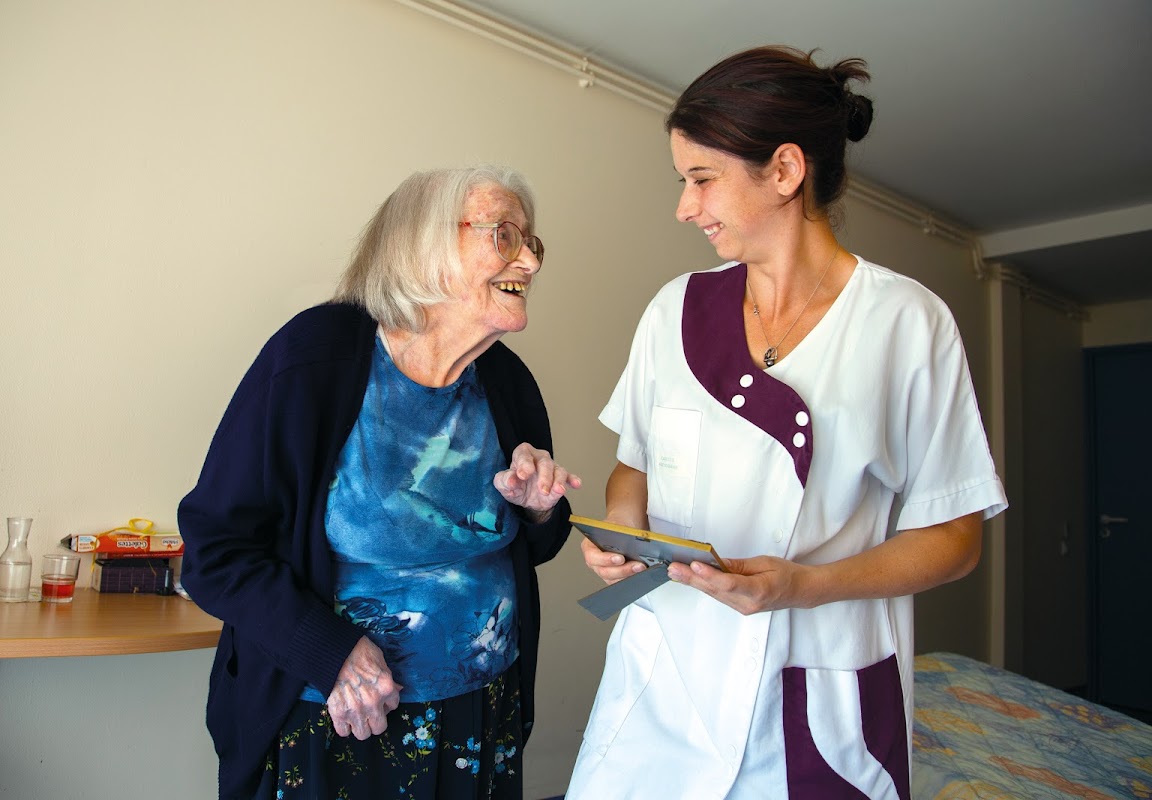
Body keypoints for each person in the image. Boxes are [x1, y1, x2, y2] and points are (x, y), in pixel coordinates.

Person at [567, 46, 1007, 799]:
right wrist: (622, 523)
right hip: (665, 681)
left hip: (814, 694)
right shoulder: (675, 310)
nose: (684, 206)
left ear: (784, 170)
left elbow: (955, 535)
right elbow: (635, 458)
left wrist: (805, 585)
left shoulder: (905, 323)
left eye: (702, 179)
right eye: (684, 180)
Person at [178, 164, 581, 800]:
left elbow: (535, 547)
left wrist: (537, 512)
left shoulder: (506, 382)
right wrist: (329, 650)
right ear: (424, 246)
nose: (527, 261)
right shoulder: (316, 358)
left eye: (531, 242)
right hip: (338, 715)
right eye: (504, 235)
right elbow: (215, 550)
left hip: (482, 710)